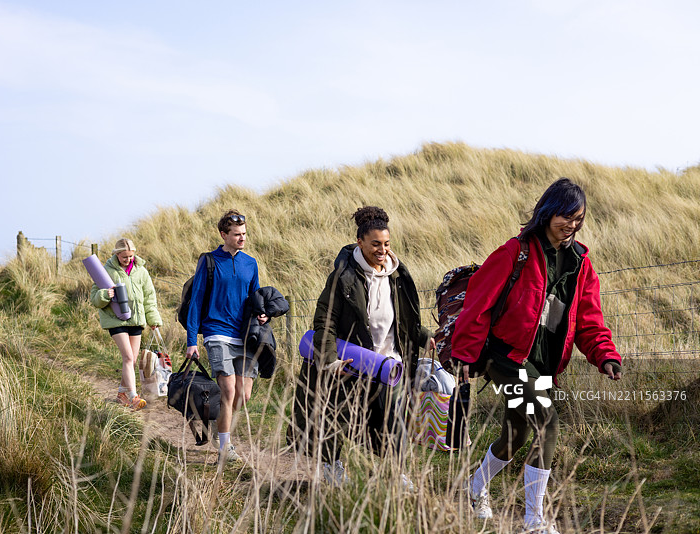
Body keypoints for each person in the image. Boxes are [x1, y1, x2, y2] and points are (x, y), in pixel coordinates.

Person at [451, 178, 623, 534]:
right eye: (565, 216)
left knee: (515, 435)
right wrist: (465, 357)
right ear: (547, 213)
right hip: (506, 359)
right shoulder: (516, 252)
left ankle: (473, 489)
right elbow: (477, 306)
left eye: (578, 218)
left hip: (543, 365)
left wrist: (605, 354)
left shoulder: (581, 264)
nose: (571, 225)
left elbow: (589, 320)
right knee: (546, 420)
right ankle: (535, 521)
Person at [292, 206, 434, 488]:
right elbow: (325, 321)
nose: (382, 250)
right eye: (375, 244)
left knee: (394, 420)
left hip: (390, 364)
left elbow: (404, 320)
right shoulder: (344, 278)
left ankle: (395, 473)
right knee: (336, 417)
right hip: (353, 364)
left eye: (387, 244)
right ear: (360, 242)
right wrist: (331, 361)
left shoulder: (397, 276)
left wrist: (426, 336)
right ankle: (332, 466)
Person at [185, 210, 267, 466]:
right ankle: (225, 447)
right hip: (216, 332)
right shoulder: (209, 261)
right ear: (224, 234)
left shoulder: (250, 263)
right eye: (237, 234)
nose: (242, 238)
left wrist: (262, 315)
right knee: (228, 389)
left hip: (243, 336)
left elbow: (255, 298)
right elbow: (196, 301)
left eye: (244, 234)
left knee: (243, 395)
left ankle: (215, 417)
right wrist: (191, 340)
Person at [91, 238, 162, 410]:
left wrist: (153, 320)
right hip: (116, 320)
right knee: (128, 357)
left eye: (131, 256)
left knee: (132, 359)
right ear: (116, 254)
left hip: (136, 321)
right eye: (124, 257)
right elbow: (95, 298)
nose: (128, 259)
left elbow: (149, 298)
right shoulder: (107, 270)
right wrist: (104, 295)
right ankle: (133, 397)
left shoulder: (141, 271)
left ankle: (122, 394)